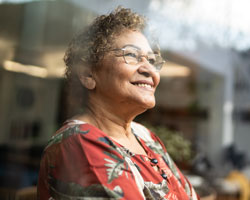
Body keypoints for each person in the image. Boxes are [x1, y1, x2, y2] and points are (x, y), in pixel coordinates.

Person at [38, 7, 199, 200]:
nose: (149, 69)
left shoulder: (145, 137)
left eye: (151, 60)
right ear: (88, 74)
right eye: (131, 55)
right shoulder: (78, 142)